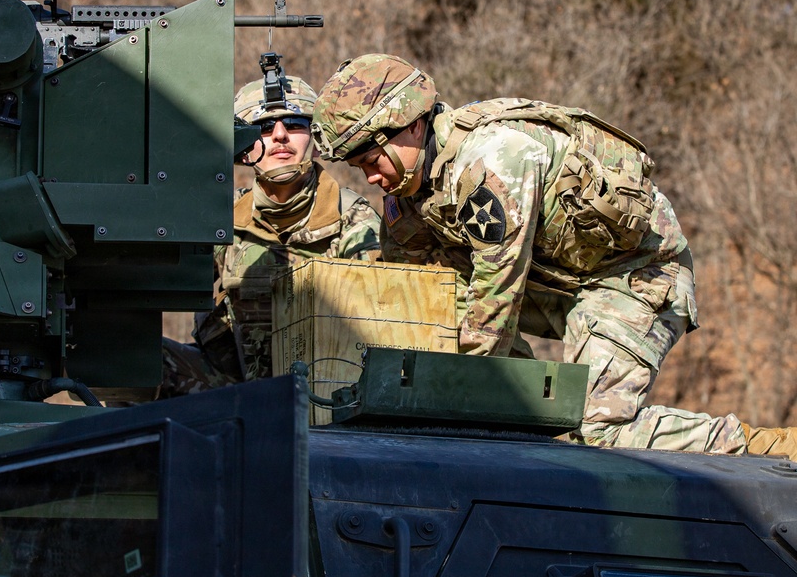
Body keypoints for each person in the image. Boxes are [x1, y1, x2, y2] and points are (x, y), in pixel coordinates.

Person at [311, 52, 797, 458]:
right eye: (358, 169)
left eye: (371, 161)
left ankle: (765, 448)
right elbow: (408, 294)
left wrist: (457, 396)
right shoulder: (408, 194)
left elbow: (496, 294)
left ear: (409, 127)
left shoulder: (492, 162)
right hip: (562, 284)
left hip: (635, 277)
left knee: (595, 430)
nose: (370, 178)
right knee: (442, 293)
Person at [161, 63, 381, 395]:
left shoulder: (353, 219)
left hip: (328, 395)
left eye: (294, 123)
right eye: (263, 127)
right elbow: (165, 277)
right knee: (128, 362)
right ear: (244, 146)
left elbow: (380, 335)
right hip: (234, 392)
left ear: (315, 137)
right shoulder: (222, 217)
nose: (280, 135)